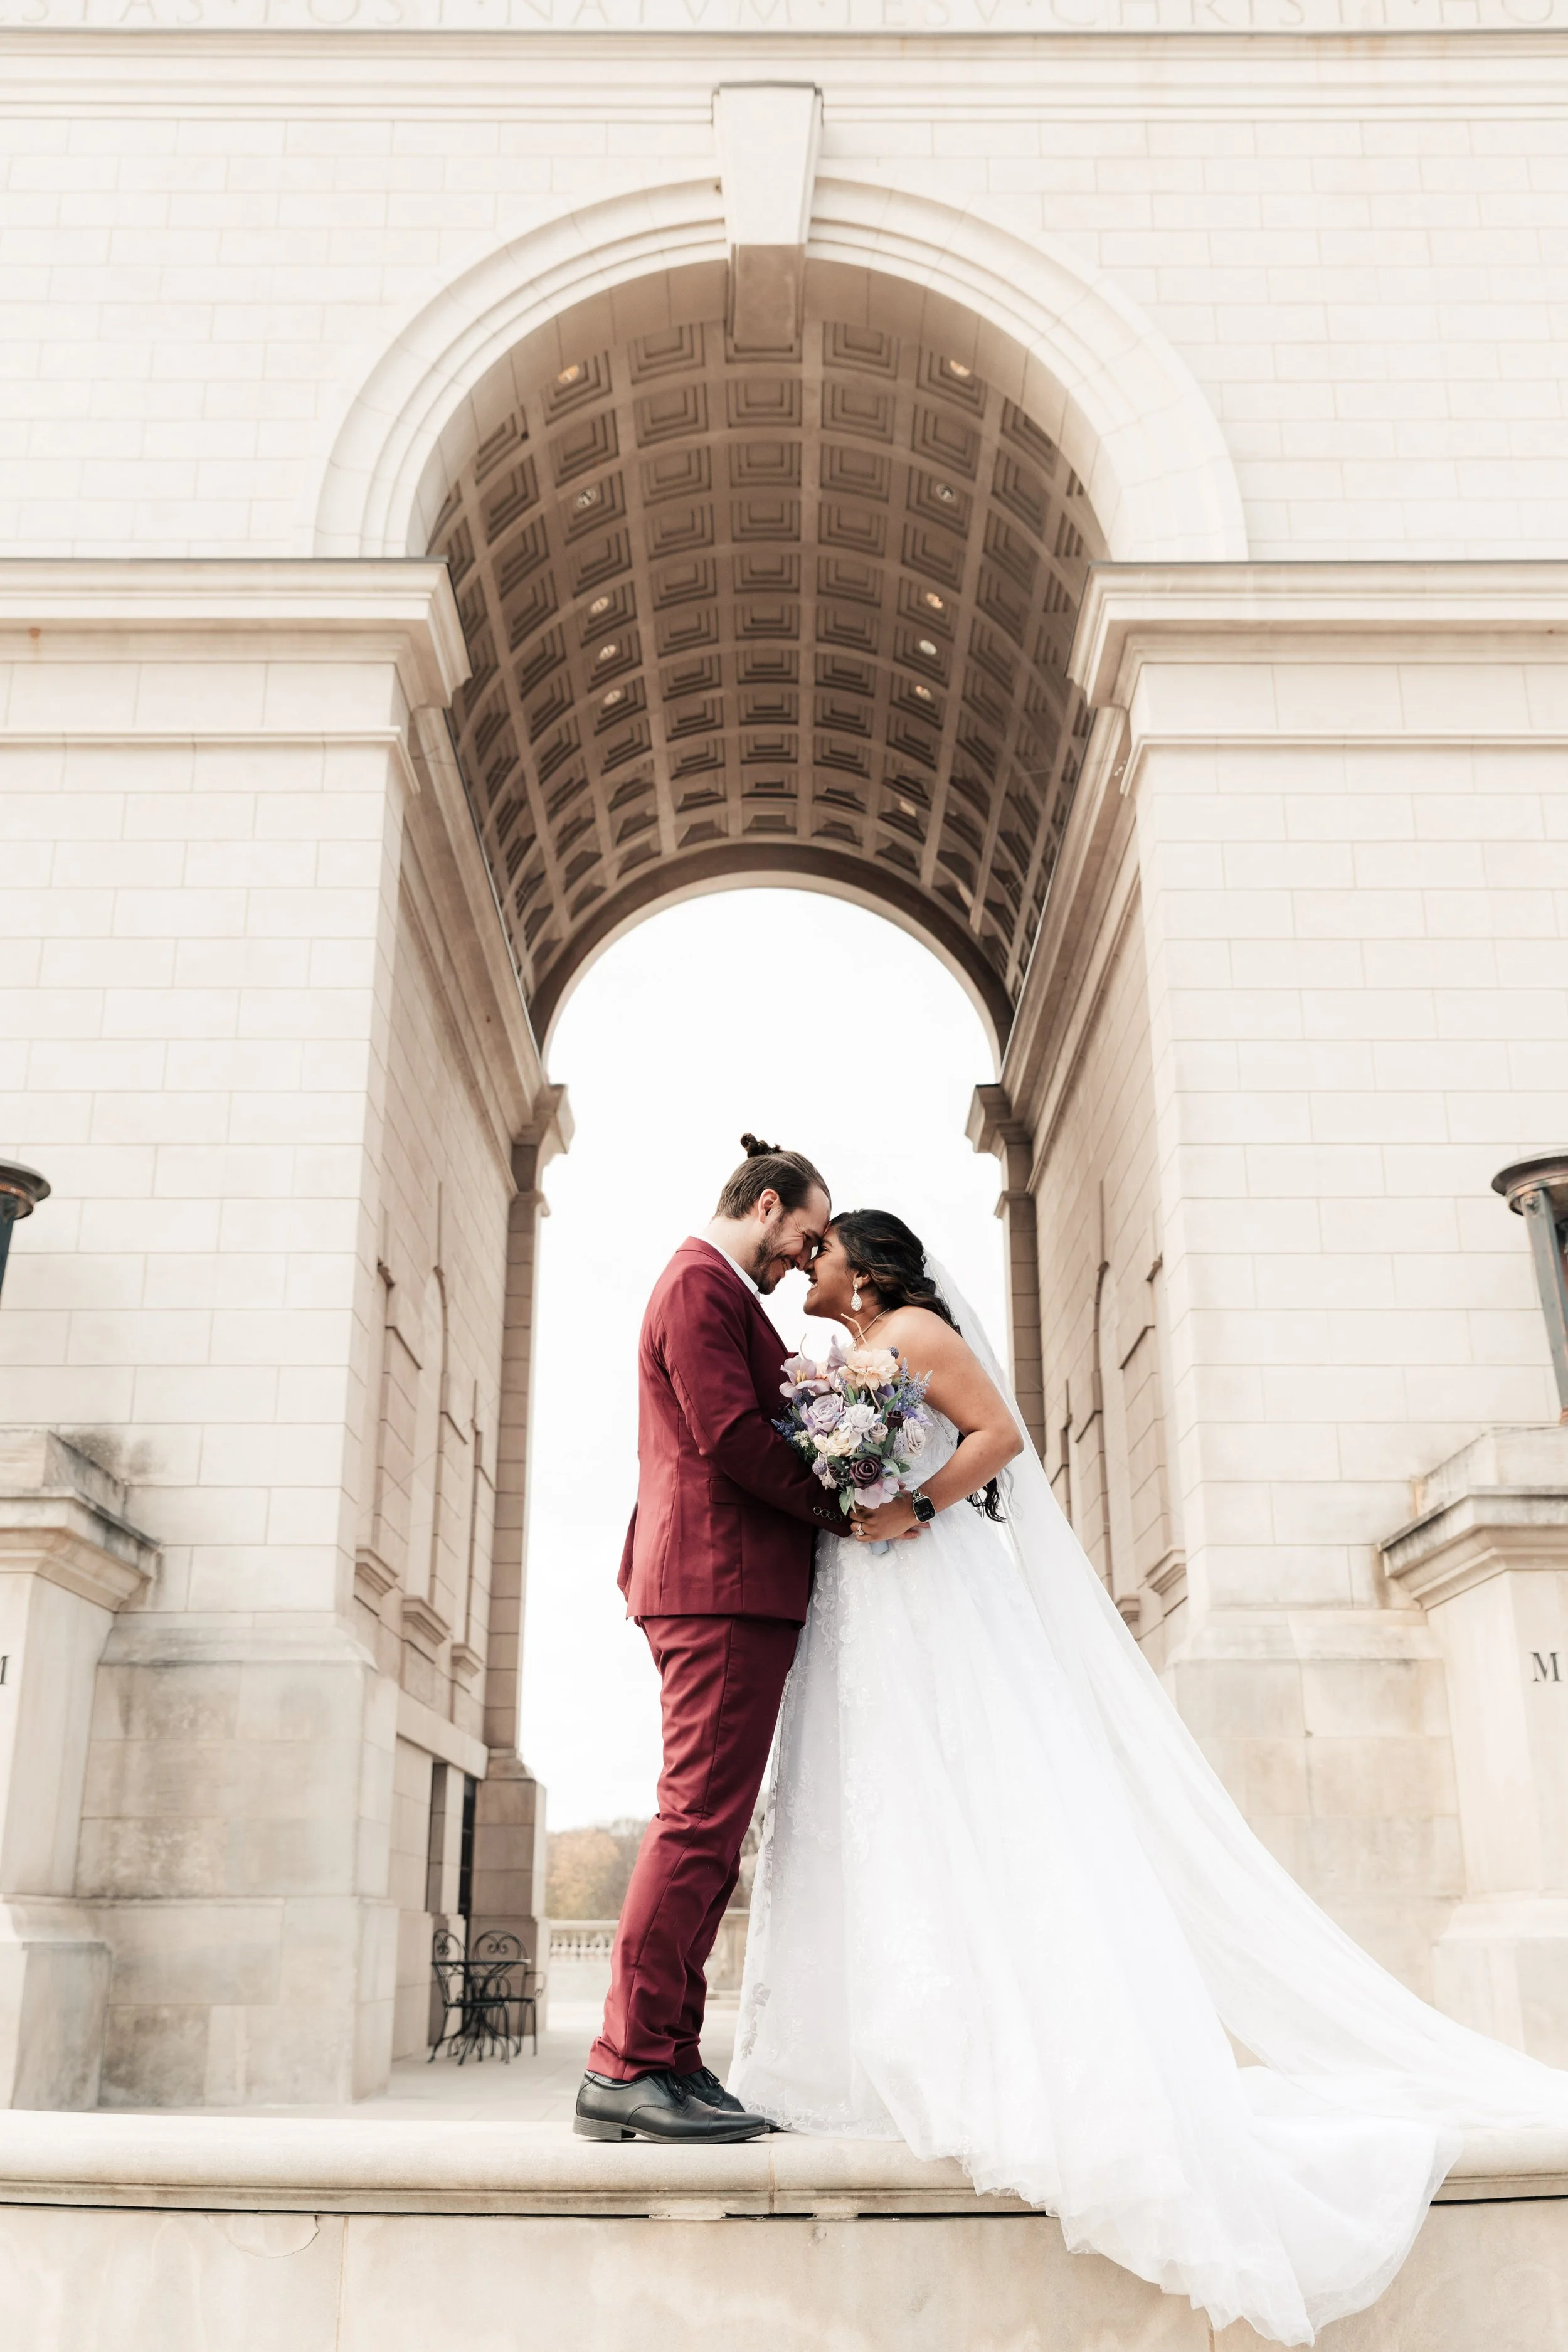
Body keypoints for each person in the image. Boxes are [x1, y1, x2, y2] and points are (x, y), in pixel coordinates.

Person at [730, 1207, 1568, 2346]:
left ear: (866, 1270)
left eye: (823, 1251)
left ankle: (994, 2044)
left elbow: (1000, 1437)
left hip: (929, 1591)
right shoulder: (845, 1359)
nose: (806, 1263)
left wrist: (912, 1508)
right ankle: (888, 2040)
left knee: (967, 1791)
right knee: (887, 1812)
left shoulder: (919, 1333)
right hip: (867, 1607)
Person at [574, 1136, 842, 2147]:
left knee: (714, 1834)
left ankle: (673, 2058)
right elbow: (730, 1437)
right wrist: (842, 1506)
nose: (802, 1263)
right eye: (803, 1237)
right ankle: (625, 2063)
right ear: (767, 1206)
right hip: (719, 1584)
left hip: (729, 1585)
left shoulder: (717, 1291)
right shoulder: (698, 1285)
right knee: (695, 1822)